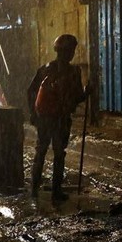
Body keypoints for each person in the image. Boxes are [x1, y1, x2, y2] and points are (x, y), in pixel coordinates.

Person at [26, 34, 88, 201]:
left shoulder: (45, 69)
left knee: (41, 151)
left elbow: (30, 91)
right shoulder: (74, 72)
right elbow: (77, 97)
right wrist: (87, 92)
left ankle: (34, 188)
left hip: (44, 119)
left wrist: (33, 114)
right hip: (61, 119)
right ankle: (56, 191)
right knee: (59, 154)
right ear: (69, 52)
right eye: (71, 50)